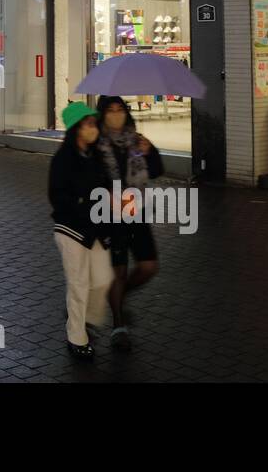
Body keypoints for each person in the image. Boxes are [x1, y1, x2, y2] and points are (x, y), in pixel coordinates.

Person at [95, 95, 163, 352]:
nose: (116, 115)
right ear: (102, 115)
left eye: (119, 109)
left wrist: (149, 153)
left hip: (136, 210)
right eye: (110, 111)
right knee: (118, 272)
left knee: (148, 266)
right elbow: (89, 177)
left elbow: (156, 170)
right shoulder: (97, 144)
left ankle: (115, 298)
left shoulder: (136, 140)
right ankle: (118, 326)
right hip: (108, 214)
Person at [49, 101, 114, 362]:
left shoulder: (95, 156)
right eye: (88, 124)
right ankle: (77, 337)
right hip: (70, 230)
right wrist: (81, 206)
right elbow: (57, 196)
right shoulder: (63, 159)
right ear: (76, 128)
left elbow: (107, 187)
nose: (93, 128)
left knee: (102, 280)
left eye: (93, 124)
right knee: (79, 284)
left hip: (94, 229)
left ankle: (82, 318)